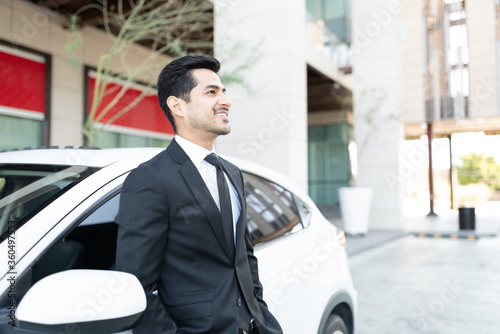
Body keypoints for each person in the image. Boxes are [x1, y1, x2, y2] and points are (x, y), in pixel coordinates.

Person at [115, 55, 283, 334]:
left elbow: (244, 255)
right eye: (211, 92)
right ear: (177, 105)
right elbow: (135, 285)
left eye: (224, 92)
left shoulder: (232, 172)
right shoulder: (150, 179)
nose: (226, 101)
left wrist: (259, 310)